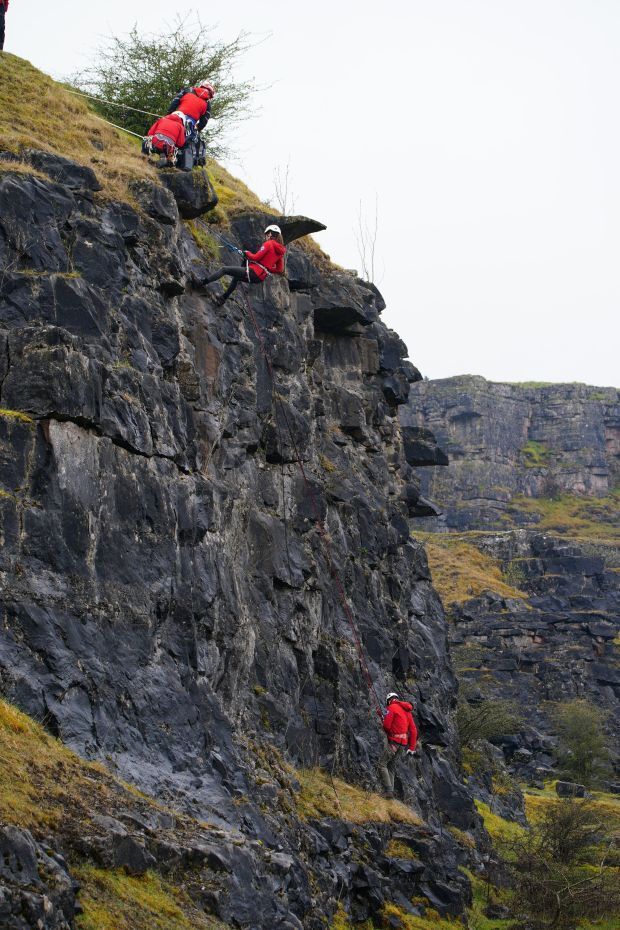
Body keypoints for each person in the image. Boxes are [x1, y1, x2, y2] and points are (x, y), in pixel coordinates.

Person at [201, 225, 286, 307]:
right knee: (236, 278)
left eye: (266, 234)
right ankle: (222, 299)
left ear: (270, 234)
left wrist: (247, 253)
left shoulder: (268, 244)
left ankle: (201, 283)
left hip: (254, 272)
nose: (265, 237)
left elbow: (255, 257)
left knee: (224, 270)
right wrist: (266, 268)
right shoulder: (281, 252)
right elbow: (280, 270)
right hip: (260, 278)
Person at [379, 691, 418, 798]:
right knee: (391, 766)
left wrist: (385, 724)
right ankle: (390, 792)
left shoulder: (391, 707)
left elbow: (387, 726)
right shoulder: (408, 711)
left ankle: (388, 791)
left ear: (389, 701)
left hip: (394, 742)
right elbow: (413, 731)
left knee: (382, 764)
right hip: (403, 745)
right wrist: (412, 747)